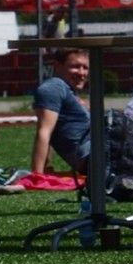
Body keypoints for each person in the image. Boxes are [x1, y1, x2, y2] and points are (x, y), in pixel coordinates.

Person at [30, 47, 91, 175]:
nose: (82, 73)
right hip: (96, 156)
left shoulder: (69, 92)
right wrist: (37, 176)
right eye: (75, 66)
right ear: (57, 66)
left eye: (85, 68)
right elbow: (44, 132)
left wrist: (46, 166)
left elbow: (51, 133)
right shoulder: (54, 87)